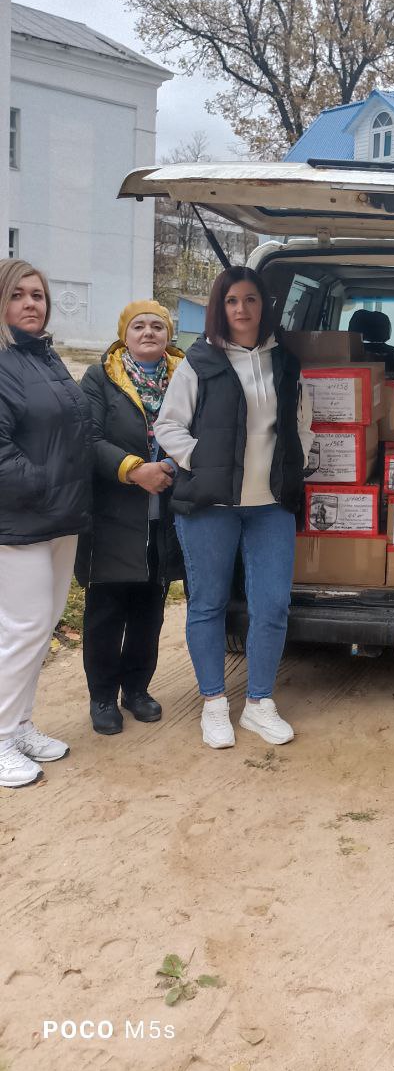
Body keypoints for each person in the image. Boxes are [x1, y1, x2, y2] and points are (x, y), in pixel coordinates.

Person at [154, 267, 313, 750]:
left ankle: (259, 703)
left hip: (270, 506)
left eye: (250, 299)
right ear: (219, 308)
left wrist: (297, 462)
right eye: (231, 301)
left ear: (264, 306)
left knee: (273, 606)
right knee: (208, 604)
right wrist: (202, 463)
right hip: (210, 505)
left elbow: (302, 423)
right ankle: (214, 703)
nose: (241, 309)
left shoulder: (285, 362)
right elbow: (168, 426)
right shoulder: (199, 361)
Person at [0, 259, 92, 788]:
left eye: (37, 294)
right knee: (24, 626)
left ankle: (18, 724)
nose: (31, 303)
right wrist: (45, 485)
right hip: (19, 520)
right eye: (17, 295)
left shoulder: (43, 355)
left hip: (59, 515)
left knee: (44, 622)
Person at [76, 300, 185, 735]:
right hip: (113, 513)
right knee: (106, 610)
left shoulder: (186, 377)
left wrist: (173, 466)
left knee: (149, 609)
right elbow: (88, 438)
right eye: (138, 326)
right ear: (124, 333)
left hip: (165, 514)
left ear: (168, 335)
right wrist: (134, 470)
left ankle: (137, 690)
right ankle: (102, 696)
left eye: (157, 326)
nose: (148, 333)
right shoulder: (100, 378)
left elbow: (202, 430)